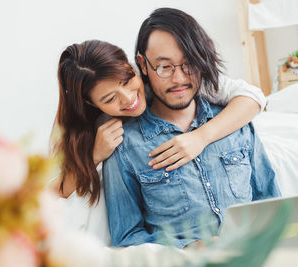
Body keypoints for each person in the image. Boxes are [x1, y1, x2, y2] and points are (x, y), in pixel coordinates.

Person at [103, 8, 280, 248]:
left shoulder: (234, 122)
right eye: (164, 67)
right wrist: (187, 250)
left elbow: (273, 207)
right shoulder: (125, 147)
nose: (179, 79)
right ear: (143, 65)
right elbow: (126, 238)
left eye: (188, 64)